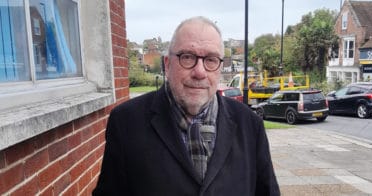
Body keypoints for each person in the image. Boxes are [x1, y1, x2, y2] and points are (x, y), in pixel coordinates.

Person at [93, 16, 280, 196]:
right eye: (188, 57)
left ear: (220, 67)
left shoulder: (250, 124)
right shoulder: (126, 122)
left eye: (211, 60)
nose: (200, 72)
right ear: (167, 64)